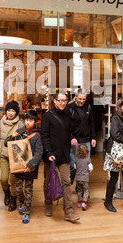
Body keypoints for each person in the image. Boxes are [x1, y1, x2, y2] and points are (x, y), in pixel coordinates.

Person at [41, 92, 80, 223]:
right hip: (50, 155)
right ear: (54, 100)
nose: (63, 103)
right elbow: (44, 136)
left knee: (66, 182)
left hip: (64, 154)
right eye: (60, 100)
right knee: (48, 181)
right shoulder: (47, 116)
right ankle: (48, 205)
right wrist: (48, 153)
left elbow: (69, 132)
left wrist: (73, 138)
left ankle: (68, 211)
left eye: (65, 101)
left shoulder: (68, 114)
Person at [5, 109, 43, 224]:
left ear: (35, 122)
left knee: (28, 191)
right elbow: (6, 143)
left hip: (30, 168)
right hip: (18, 168)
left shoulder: (37, 135)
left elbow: (39, 153)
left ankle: (26, 212)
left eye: (31, 120)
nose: (28, 122)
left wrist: (31, 165)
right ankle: (21, 202)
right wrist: (12, 137)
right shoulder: (19, 132)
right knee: (17, 190)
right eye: (26, 120)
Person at [0, 101, 24, 210]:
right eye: (9, 110)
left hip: (15, 157)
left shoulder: (20, 124)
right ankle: (7, 194)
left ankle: (13, 200)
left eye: (13, 111)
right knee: (3, 179)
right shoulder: (1, 122)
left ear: (16, 112)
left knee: (13, 180)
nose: (10, 113)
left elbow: (24, 142)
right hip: (4, 155)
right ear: (6, 111)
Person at [68, 90, 97, 184]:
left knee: (84, 166)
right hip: (75, 140)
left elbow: (92, 123)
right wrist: (71, 137)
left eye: (84, 99)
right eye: (80, 98)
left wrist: (93, 137)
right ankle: (69, 183)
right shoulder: (70, 108)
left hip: (86, 140)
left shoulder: (88, 106)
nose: (82, 101)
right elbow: (66, 125)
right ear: (75, 96)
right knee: (73, 165)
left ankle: (79, 188)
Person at [74, 144, 93, 211]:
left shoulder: (76, 160)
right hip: (85, 179)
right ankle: (84, 203)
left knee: (79, 190)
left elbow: (75, 167)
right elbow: (91, 168)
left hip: (78, 179)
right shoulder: (88, 160)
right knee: (86, 190)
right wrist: (87, 171)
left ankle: (79, 202)